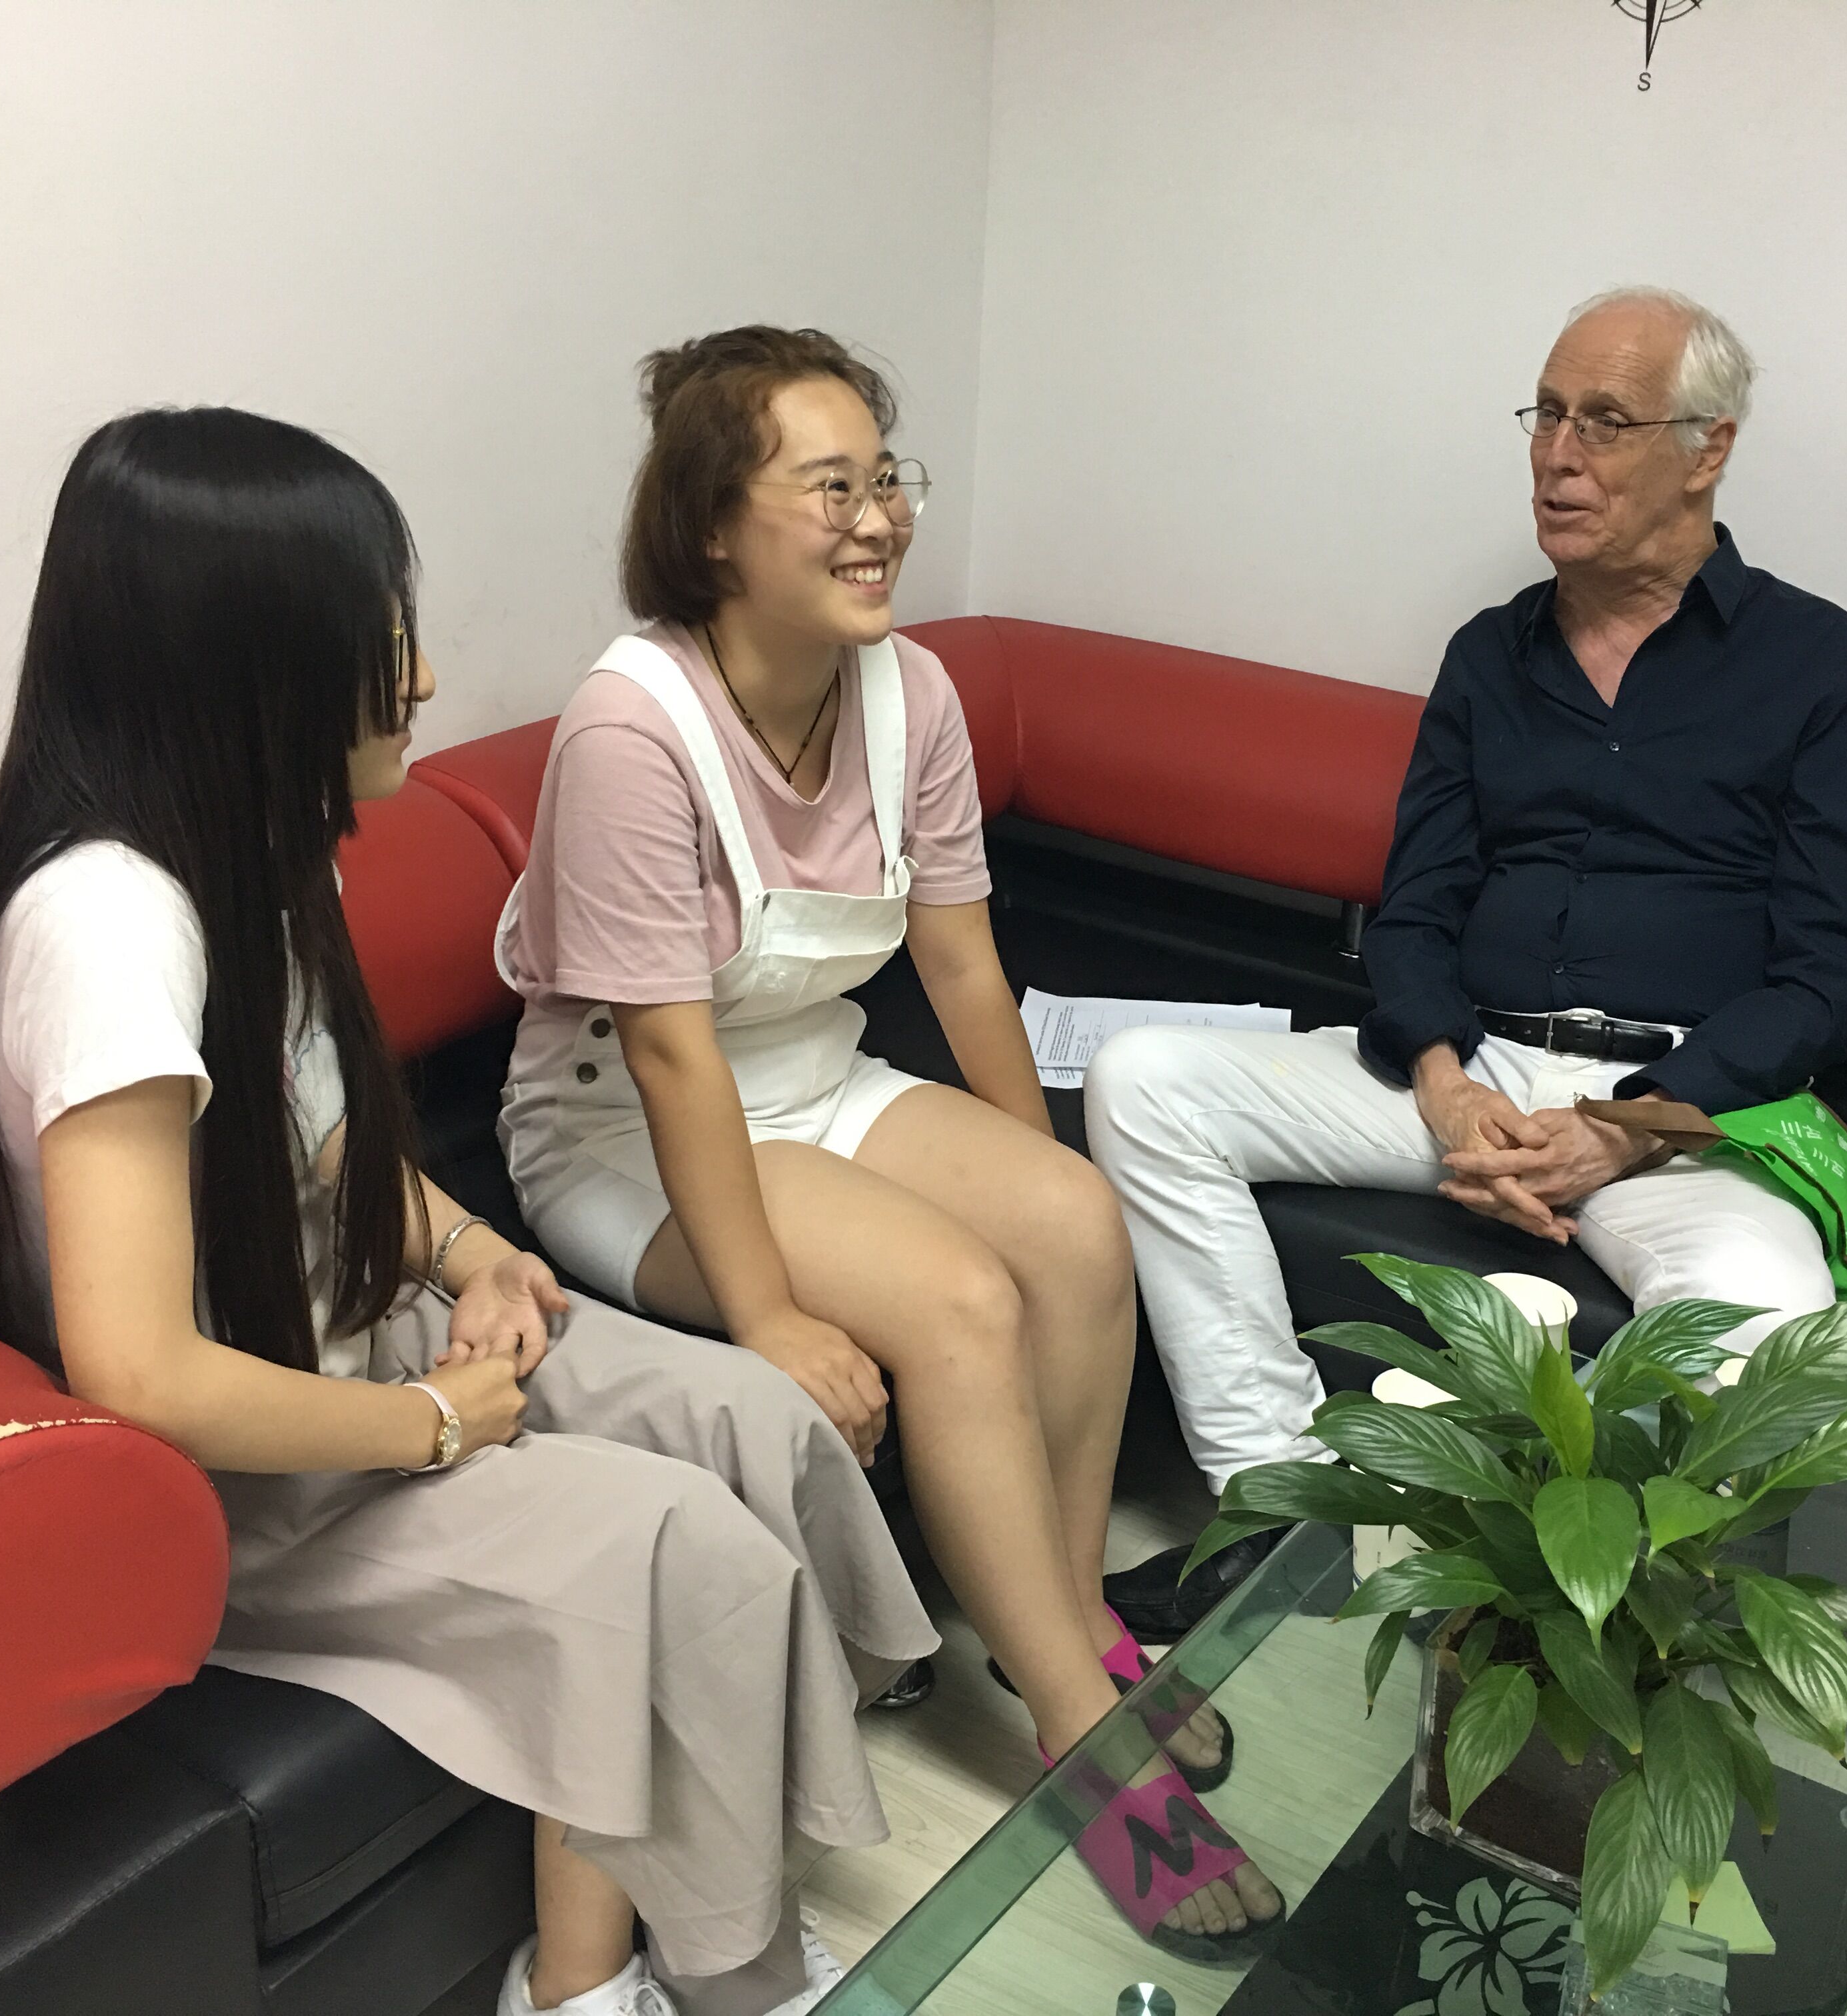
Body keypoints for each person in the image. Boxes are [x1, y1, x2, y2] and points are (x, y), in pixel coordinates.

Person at [0, 408, 941, 2016]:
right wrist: (436, 1425)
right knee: (670, 1544)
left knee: (753, 1420)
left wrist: (476, 1256)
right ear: (252, 664)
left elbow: (323, 1144)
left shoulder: (254, 852)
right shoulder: (107, 926)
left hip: (363, 1339)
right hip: (246, 1480)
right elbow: (140, 1374)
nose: (420, 675)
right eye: (380, 634)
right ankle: (682, 1975)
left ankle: (636, 1946)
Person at [496, 327, 1278, 1959]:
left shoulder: (908, 693)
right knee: (960, 1301)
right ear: (716, 526)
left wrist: (1045, 1185)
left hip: (812, 1073)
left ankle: (1059, 1621)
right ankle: (1081, 1731)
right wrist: (769, 1314)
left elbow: (963, 963)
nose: (879, 521)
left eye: (887, 481)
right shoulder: (632, 729)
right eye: (830, 488)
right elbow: (668, 1053)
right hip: (628, 1127)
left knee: (1075, 1229)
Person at [1086, 287, 1847, 1640]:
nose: (1557, 456)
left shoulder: (1826, 667)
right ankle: (1277, 1507)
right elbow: (1414, 908)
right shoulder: (1489, 656)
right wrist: (1446, 1084)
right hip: (1481, 1072)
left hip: (1681, 1114)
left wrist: (1625, 1128)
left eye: (1606, 422)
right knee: (1145, 1081)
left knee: (1768, 1330)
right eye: (1548, 415)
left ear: (1707, 449)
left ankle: (1573, 1632)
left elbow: (1835, 973)